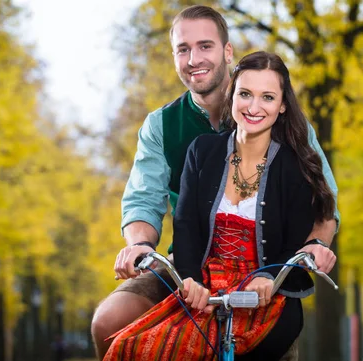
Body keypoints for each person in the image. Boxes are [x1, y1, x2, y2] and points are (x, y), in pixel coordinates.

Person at [91, 5, 340, 360]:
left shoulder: (283, 126)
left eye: (205, 46)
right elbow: (143, 202)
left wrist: (313, 246)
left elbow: (323, 205)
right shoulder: (163, 125)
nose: (194, 59)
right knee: (109, 322)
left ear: (227, 52)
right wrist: (140, 247)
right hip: (188, 262)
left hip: (265, 267)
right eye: (183, 49)